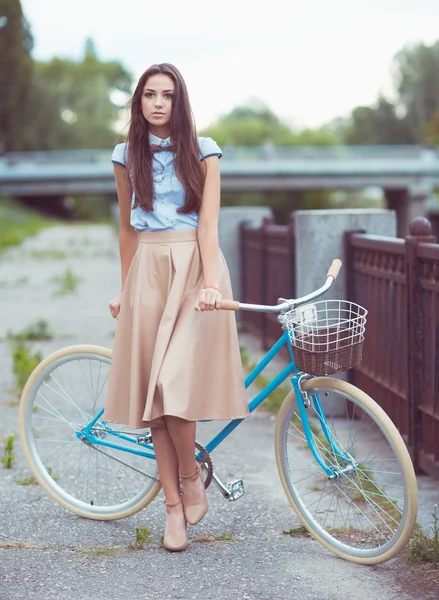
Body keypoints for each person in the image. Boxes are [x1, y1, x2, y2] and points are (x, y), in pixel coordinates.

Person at [102, 63, 249, 552]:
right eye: (149, 95)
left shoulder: (203, 151)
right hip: (149, 270)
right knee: (155, 401)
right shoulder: (126, 156)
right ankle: (172, 508)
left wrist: (210, 283)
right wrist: (126, 287)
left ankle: (190, 477)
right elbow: (127, 229)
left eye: (167, 94)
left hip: (194, 271)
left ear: (178, 101)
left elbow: (208, 227)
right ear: (138, 103)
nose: (158, 102)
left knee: (172, 383)